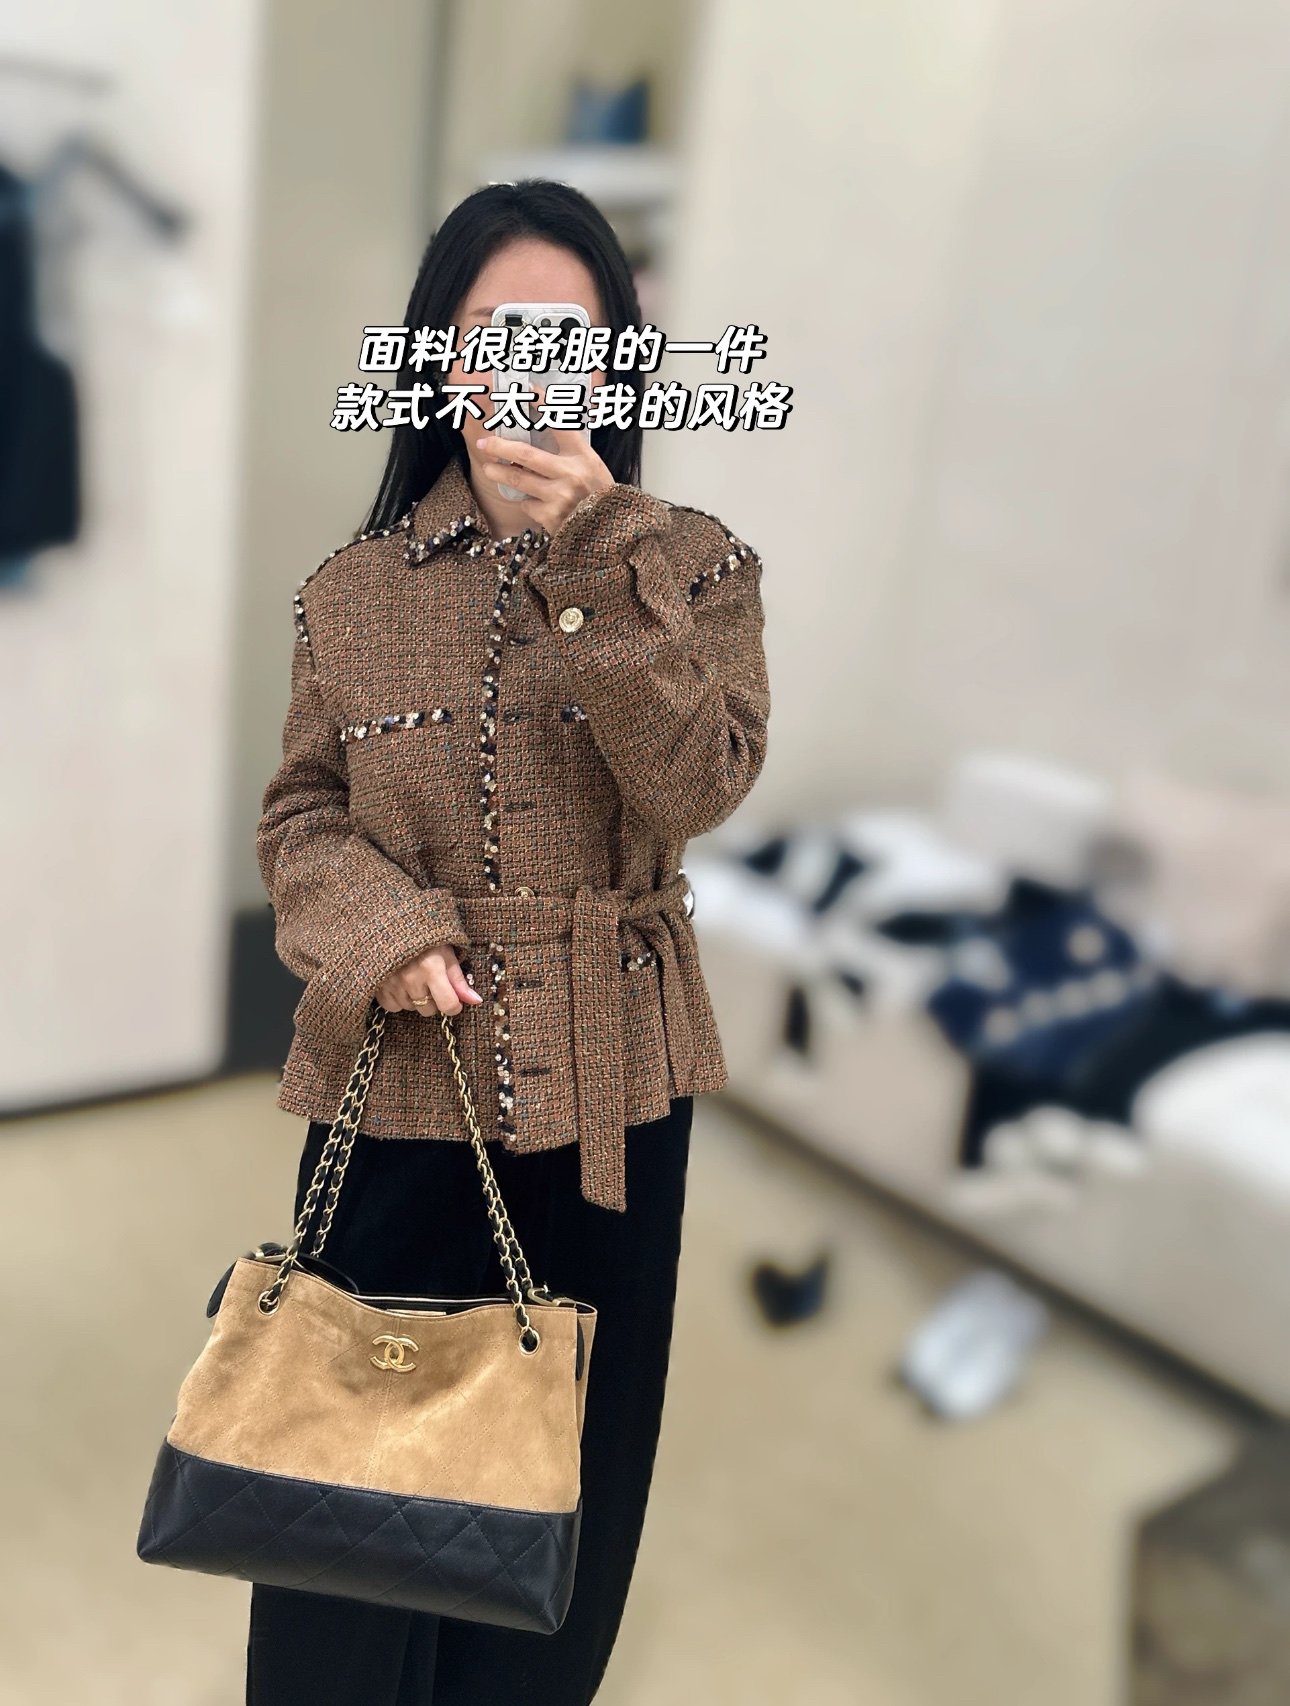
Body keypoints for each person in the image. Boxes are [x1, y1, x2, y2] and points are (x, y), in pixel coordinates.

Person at [250, 179, 769, 1706]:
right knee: (351, 1457)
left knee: (565, 1474)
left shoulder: (697, 568)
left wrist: (596, 556)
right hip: (406, 1073)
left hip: (615, 1084)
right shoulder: (349, 593)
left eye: (567, 335)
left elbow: (699, 784)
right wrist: (386, 929)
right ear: (437, 354)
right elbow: (301, 816)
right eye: (493, 332)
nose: (528, 369)